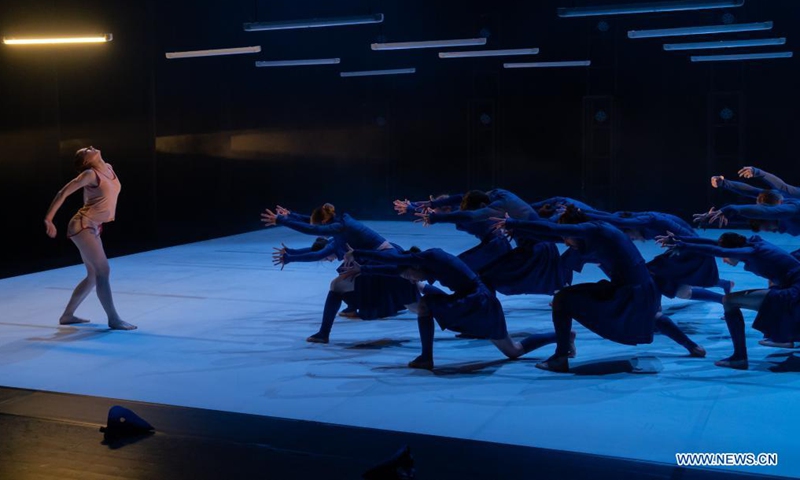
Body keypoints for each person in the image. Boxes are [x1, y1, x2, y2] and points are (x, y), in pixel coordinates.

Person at [492, 206, 704, 373]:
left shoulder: (593, 230)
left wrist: (513, 222)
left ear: (574, 228)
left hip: (630, 292)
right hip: (642, 289)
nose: (565, 242)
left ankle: (561, 356)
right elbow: (555, 235)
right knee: (651, 317)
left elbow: (555, 230)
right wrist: (518, 229)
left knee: (562, 300)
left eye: (568, 238)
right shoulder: (594, 230)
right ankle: (693, 347)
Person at [343, 246, 573, 370]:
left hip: (477, 300)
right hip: (477, 300)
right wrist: (363, 270)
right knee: (514, 351)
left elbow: (395, 260)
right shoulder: (420, 265)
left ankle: (425, 358)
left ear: (413, 265)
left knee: (425, 306)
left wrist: (358, 254)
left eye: (409, 276)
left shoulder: (431, 256)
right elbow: (397, 268)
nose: (411, 280)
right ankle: (564, 336)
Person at [262, 203, 418, 343]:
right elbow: (313, 231)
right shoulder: (339, 227)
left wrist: (282, 222)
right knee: (340, 283)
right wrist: (291, 217)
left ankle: (324, 333)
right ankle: (326, 331)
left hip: (383, 260)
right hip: (379, 258)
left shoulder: (340, 229)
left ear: (324, 223)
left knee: (415, 303)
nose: (320, 233)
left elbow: (314, 238)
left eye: (321, 229)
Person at [658, 231, 800, 370]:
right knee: (763, 294)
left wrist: (685, 246)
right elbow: (714, 244)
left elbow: (716, 250)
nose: (724, 260)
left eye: (726, 256)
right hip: (792, 287)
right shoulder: (749, 245)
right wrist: (679, 239)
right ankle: (786, 339)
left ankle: (739, 357)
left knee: (729, 301)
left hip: (795, 292)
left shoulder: (752, 251)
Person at [43, 146, 136, 330]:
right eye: (86, 150)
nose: (91, 147)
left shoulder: (108, 167)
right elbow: (63, 193)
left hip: (92, 226)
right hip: (83, 225)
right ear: (86, 161)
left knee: (93, 276)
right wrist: (48, 219)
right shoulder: (89, 174)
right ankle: (114, 319)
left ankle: (67, 315)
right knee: (103, 271)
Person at [580, 209, 733, 304]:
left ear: (630, 227)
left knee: (650, 274)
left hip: (692, 252)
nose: (632, 240)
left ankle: (655, 311)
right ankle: (723, 291)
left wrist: (583, 213)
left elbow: (615, 220)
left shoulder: (651, 220)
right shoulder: (640, 222)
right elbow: (612, 217)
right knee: (682, 291)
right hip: (681, 252)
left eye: (630, 237)